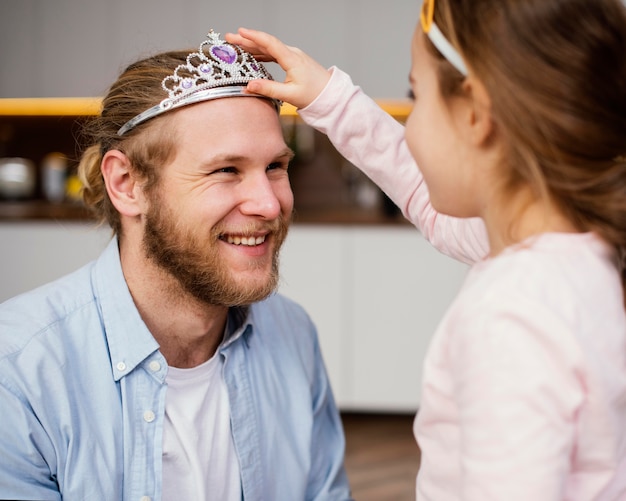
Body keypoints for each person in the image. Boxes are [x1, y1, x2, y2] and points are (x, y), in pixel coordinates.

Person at [225, 0, 626, 498]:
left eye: (416, 96)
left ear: (476, 112)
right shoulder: (582, 256)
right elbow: (428, 201)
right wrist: (332, 99)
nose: (409, 126)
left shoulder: (512, 314)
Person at [0, 31, 352, 501]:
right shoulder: (19, 372)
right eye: (225, 169)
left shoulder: (293, 336)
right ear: (127, 184)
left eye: (275, 166)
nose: (269, 204)